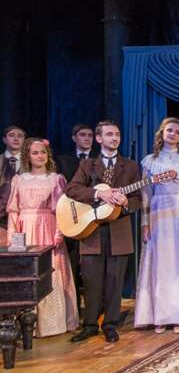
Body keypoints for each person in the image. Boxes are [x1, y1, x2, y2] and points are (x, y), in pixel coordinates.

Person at [65, 120, 141, 343]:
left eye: (117, 134)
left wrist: (126, 203)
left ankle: (110, 324)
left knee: (114, 282)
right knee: (91, 281)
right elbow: (72, 189)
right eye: (109, 134)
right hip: (91, 230)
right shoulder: (88, 165)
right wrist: (99, 194)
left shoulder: (131, 166)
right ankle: (89, 325)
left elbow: (137, 201)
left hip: (119, 230)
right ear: (99, 138)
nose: (114, 138)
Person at [134, 117, 179, 333]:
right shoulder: (150, 161)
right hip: (159, 213)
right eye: (169, 130)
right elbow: (146, 195)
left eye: (177, 131)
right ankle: (160, 316)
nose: (173, 134)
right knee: (161, 264)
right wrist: (145, 223)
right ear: (162, 133)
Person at [7, 138, 79, 336]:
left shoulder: (56, 179)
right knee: (28, 274)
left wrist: (59, 233)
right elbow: (13, 212)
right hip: (26, 230)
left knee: (51, 272)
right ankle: (27, 324)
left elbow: (61, 210)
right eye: (35, 153)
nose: (40, 156)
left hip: (48, 229)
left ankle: (52, 324)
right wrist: (13, 238)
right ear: (27, 156)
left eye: (43, 152)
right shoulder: (19, 180)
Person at [56, 124, 98, 307]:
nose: (87, 138)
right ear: (74, 138)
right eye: (83, 135)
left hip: (93, 216)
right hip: (71, 214)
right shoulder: (63, 160)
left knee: (92, 267)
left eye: (90, 135)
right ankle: (74, 309)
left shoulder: (99, 159)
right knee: (72, 262)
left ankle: (95, 308)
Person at [0, 126, 26, 246]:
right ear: (4, 140)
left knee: (19, 250)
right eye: (11, 135)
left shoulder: (31, 162)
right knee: (4, 251)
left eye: (20, 136)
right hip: (2, 219)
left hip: (23, 218)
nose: (16, 138)